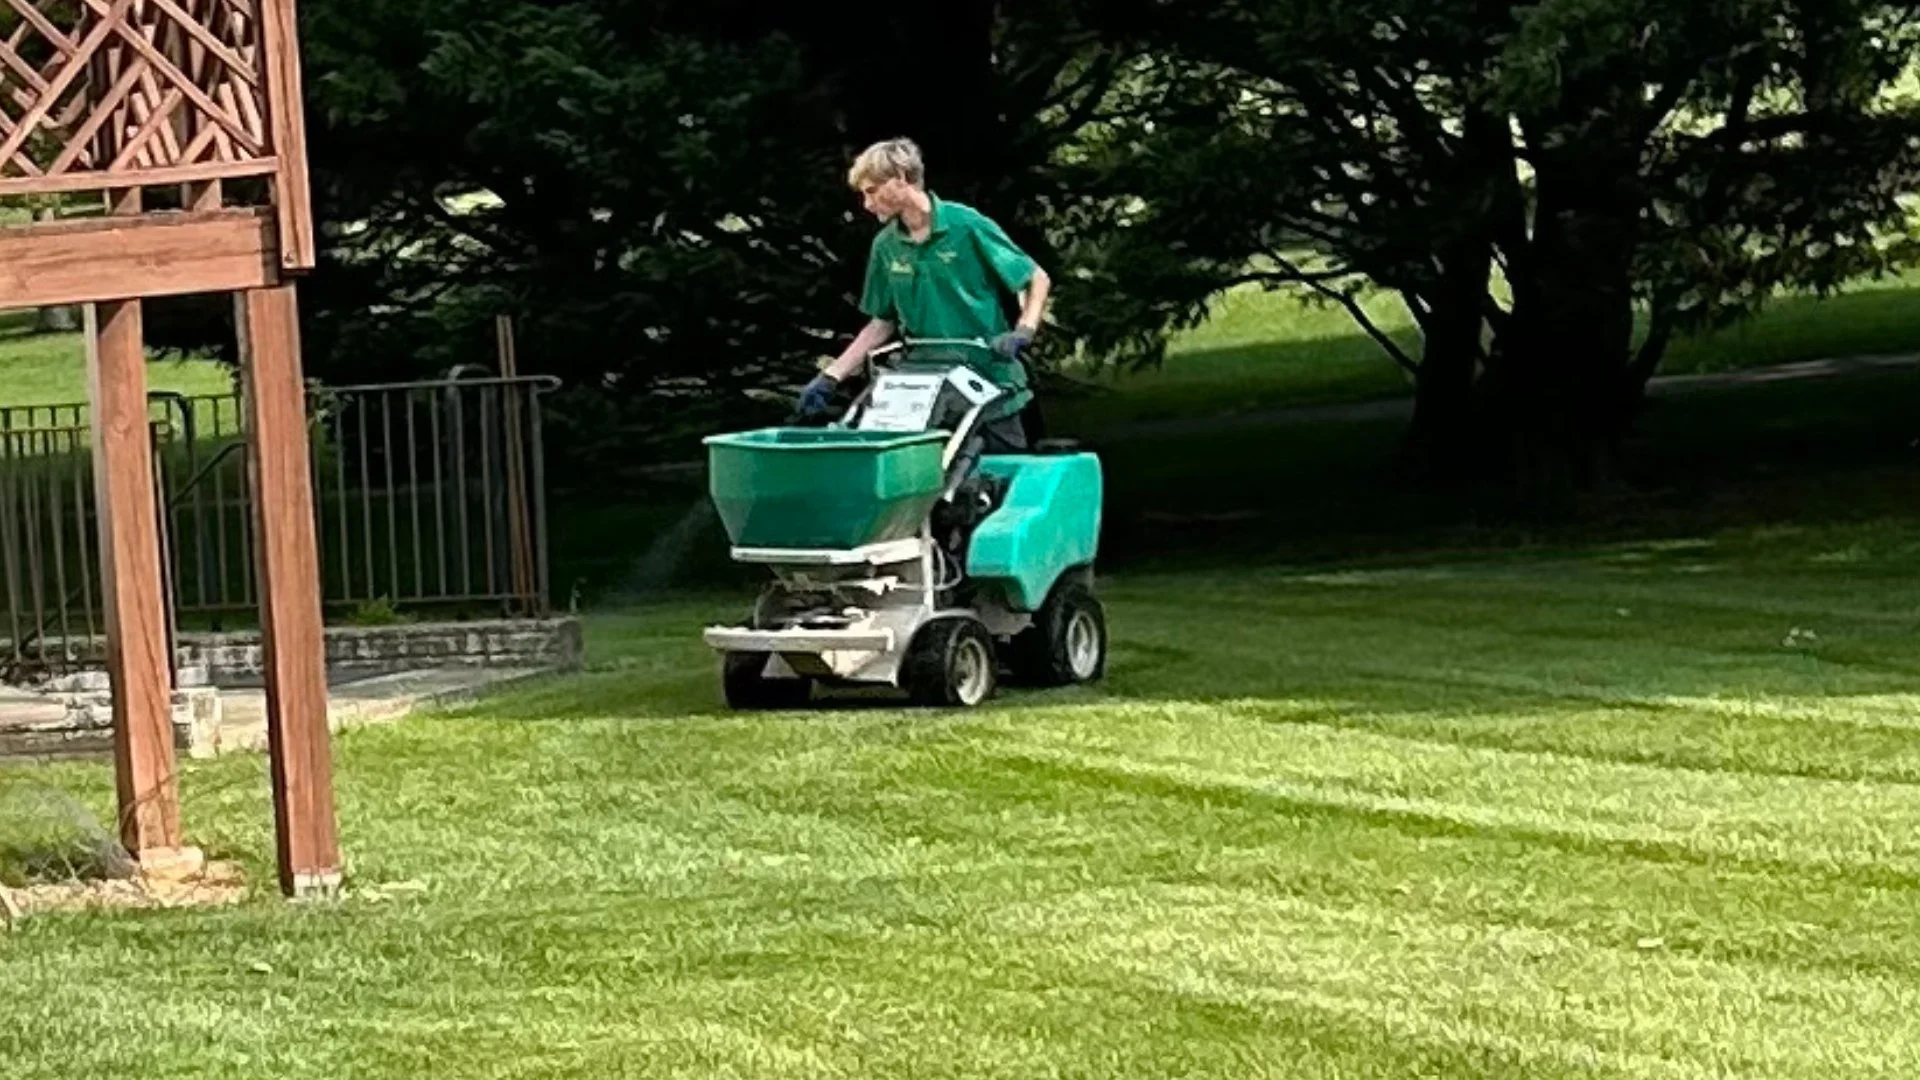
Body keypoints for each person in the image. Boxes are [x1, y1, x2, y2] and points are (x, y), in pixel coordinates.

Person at [799, 138, 1051, 454]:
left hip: (988, 378)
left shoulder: (966, 225)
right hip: (923, 385)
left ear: (901, 179)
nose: (866, 204)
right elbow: (881, 322)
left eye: (872, 191)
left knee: (1001, 474)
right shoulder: (886, 245)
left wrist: (1023, 331)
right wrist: (830, 376)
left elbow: (1035, 278)